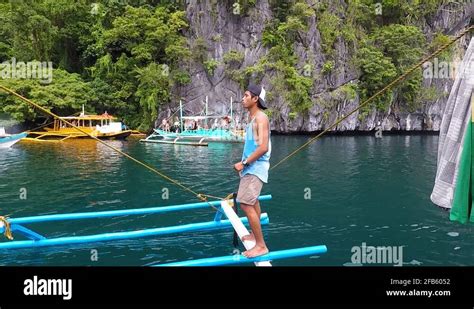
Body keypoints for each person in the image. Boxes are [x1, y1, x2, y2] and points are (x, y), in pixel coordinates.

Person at [233, 84, 271, 258]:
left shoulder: (261, 118)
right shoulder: (254, 118)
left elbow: (263, 148)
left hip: (255, 168)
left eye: (246, 95)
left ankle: (261, 246)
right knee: (252, 201)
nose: (243, 98)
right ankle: (255, 236)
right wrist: (244, 163)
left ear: (255, 99)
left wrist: (244, 163)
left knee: (245, 203)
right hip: (251, 167)